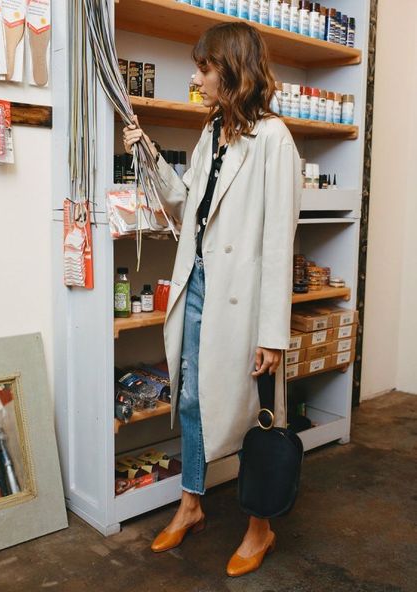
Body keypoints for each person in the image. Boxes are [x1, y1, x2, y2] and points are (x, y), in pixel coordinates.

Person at [123, 21, 302, 577]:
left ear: (231, 70)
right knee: (194, 399)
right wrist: (149, 155)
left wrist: (273, 331)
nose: (196, 77)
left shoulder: (273, 138)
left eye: (203, 68)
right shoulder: (212, 134)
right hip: (198, 285)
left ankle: (260, 527)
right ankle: (191, 504)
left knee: (255, 412)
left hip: (243, 301)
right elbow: (184, 204)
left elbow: (278, 242)